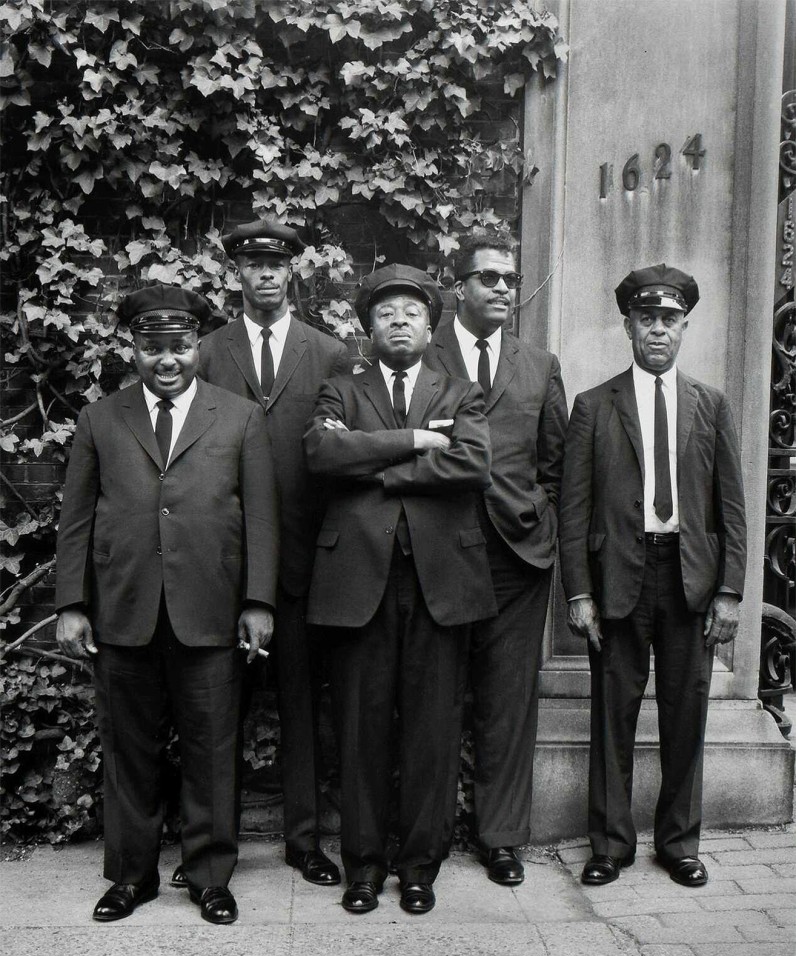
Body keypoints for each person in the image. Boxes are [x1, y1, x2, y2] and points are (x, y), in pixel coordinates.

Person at [55, 284, 279, 924]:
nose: (168, 360)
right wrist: (73, 602)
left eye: (180, 346)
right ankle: (131, 877)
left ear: (197, 347)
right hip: (123, 613)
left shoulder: (238, 417)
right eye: (154, 348)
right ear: (135, 349)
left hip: (209, 612)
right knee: (129, 752)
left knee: (212, 750)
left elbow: (261, 517)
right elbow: (75, 520)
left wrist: (258, 600)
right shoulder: (102, 418)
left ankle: (211, 876)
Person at [304, 264, 497, 915]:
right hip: (358, 583)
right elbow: (323, 457)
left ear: (430, 324)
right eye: (385, 312)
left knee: (431, 731)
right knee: (359, 730)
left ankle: (419, 866)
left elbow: (472, 463)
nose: (398, 321)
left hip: (441, 583)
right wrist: (414, 441)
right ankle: (363, 866)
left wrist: (377, 468)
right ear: (369, 327)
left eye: (411, 312)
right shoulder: (339, 387)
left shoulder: (461, 392)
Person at [559, 264, 747, 888]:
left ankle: (679, 843)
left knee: (685, 713)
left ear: (684, 327)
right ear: (628, 326)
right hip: (618, 577)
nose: (658, 331)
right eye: (647, 320)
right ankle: (610, 844)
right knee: (612, 712)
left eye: (669, 320)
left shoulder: (710, 405)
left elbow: (731, 506)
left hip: (689, 579)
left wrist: (729, 590)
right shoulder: (594, 405)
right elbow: (574, 506)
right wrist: (579, 590)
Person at [198, 219, 349, 888]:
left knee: (300, 705)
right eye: (251, 264)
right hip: (223, 565)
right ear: (236, 273)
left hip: (301, 563)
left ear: (291, 272)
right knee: (216, 710)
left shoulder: (330, 352)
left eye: (275, 264)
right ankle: (212, 845)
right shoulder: (204, 353)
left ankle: (306, 840)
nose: (263, 274)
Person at [425, 231, 568, 885]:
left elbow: (556, 464)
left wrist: (542, 526)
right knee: (435, 696)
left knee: (508, 701)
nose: (504, 288)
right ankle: (425, 838)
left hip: (517, 557)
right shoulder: (423, 358)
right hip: (439, 549)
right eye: (489, 277)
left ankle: (501, 838)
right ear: (460, 288)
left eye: (511, 278)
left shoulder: (540, 365)